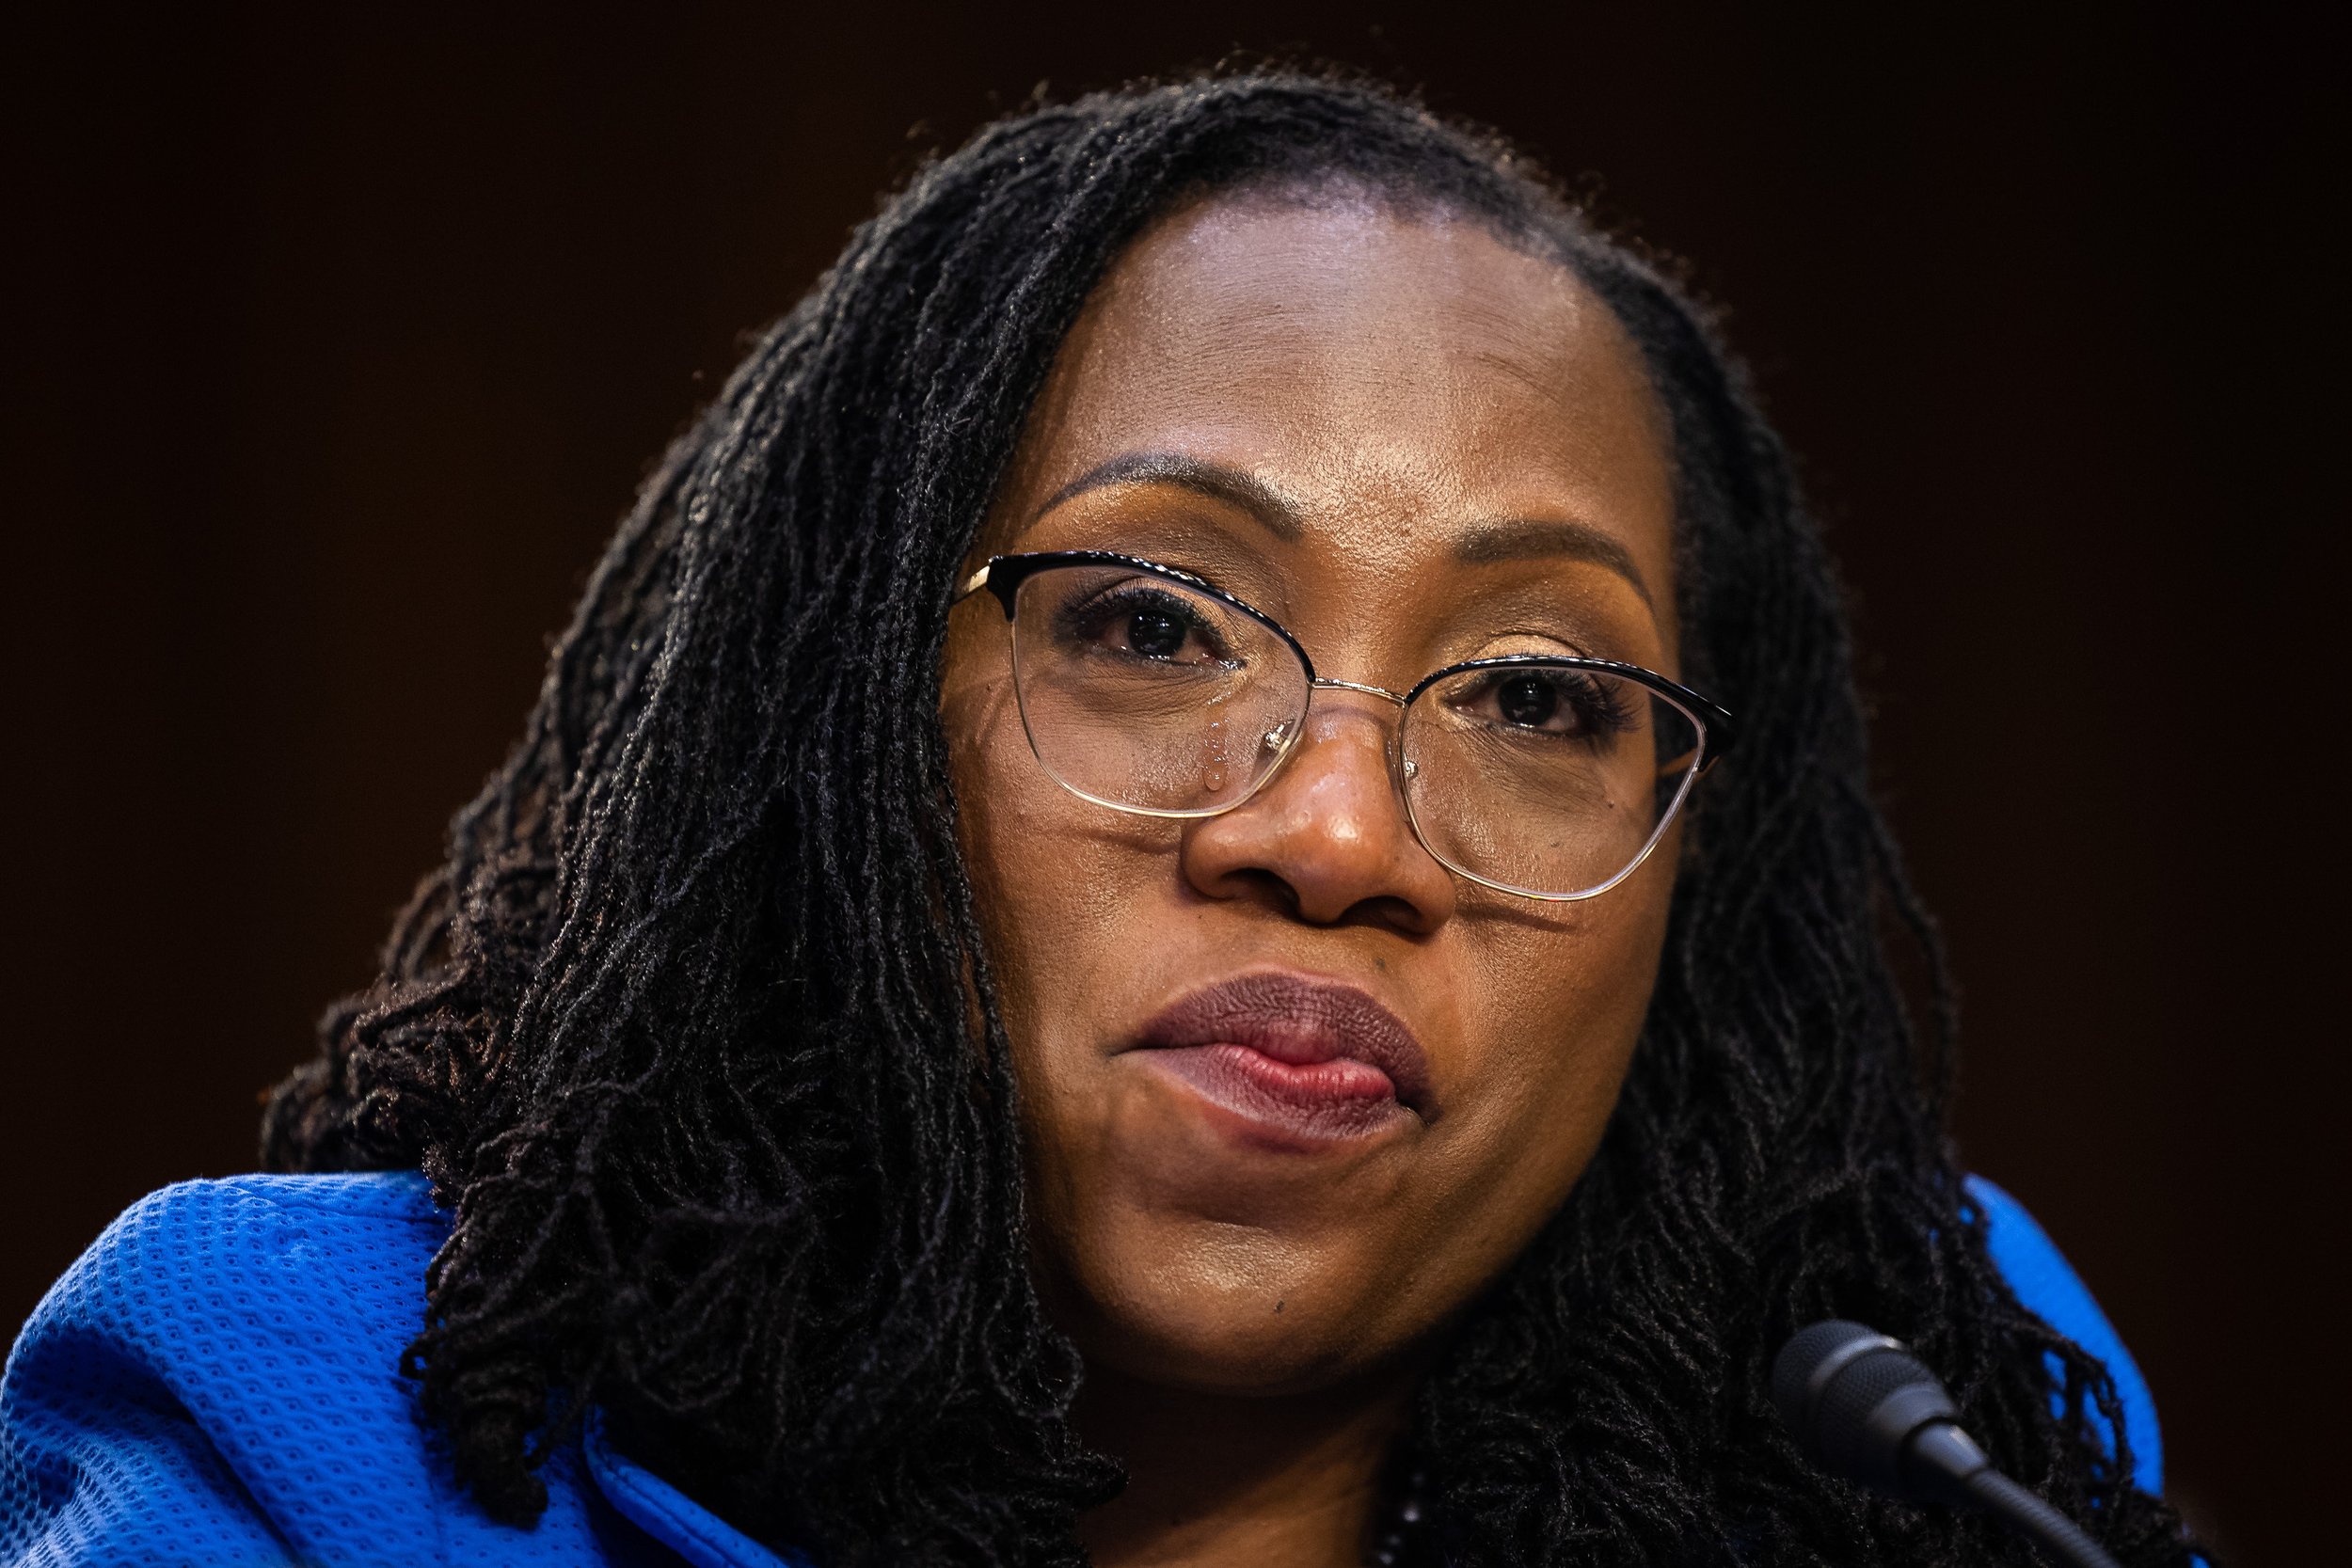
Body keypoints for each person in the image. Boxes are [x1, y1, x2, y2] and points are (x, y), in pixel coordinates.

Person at [0, 71, 2202, 1568]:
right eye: (1154, 628)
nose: (1337, 834)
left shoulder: (1921, 1456)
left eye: (1536, 694)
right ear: (836, 719)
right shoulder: (306, 1439)